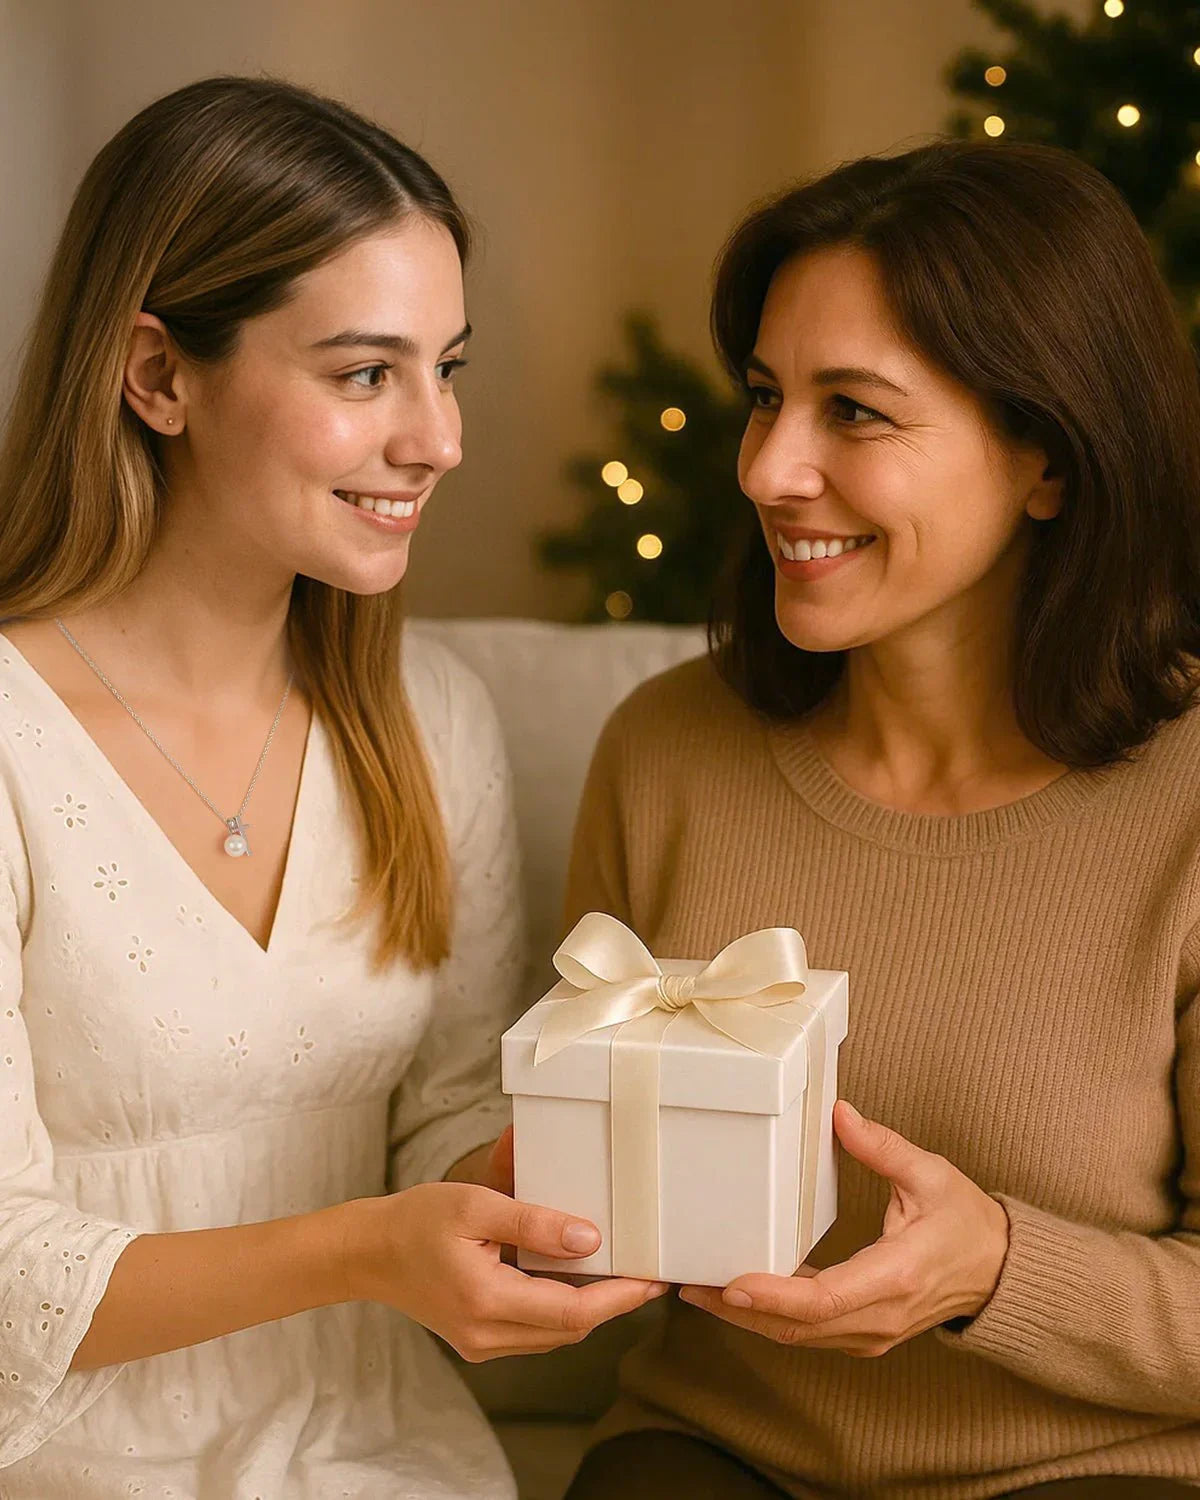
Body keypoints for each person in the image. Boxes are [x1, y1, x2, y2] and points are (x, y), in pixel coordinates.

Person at [0, 75, 663, 1499]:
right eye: (366, 375)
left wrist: (630, 1119)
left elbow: (432, 1127)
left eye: (448, 366)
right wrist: (371, 1249)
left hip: (378, 1451)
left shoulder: (428, 722)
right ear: (158, 375)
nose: (439, 440)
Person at [563, 140, 1200, 1499]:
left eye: (854, 411)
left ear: (1048, 460)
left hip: (1094, 1472)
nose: (769, 469)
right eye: (765, 398)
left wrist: (1000, 1270)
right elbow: (576, 1150)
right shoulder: (666, 752)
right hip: (716, 1452)